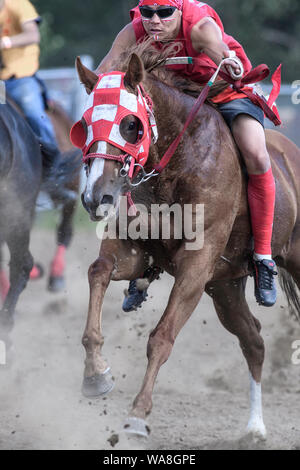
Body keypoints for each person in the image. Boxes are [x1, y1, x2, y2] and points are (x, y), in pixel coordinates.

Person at [95, 0, 278, 310]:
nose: (154, 19)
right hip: (174, 103)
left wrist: (231, 62)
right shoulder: (134, 31)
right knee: (136, 150)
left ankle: (263, 257)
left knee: (257, 154)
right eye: (147, 12)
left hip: (222, 92)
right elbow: (105, 69)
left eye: (164, 12)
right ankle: (142, 259)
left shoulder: (201, 28)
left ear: (179, 10)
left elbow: (227, 56)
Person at [0, 0, 72, 200]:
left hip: (20, 79)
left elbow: (33, 34)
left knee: (35, 115)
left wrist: (5, 42)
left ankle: (54, 175)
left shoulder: (18, 5)